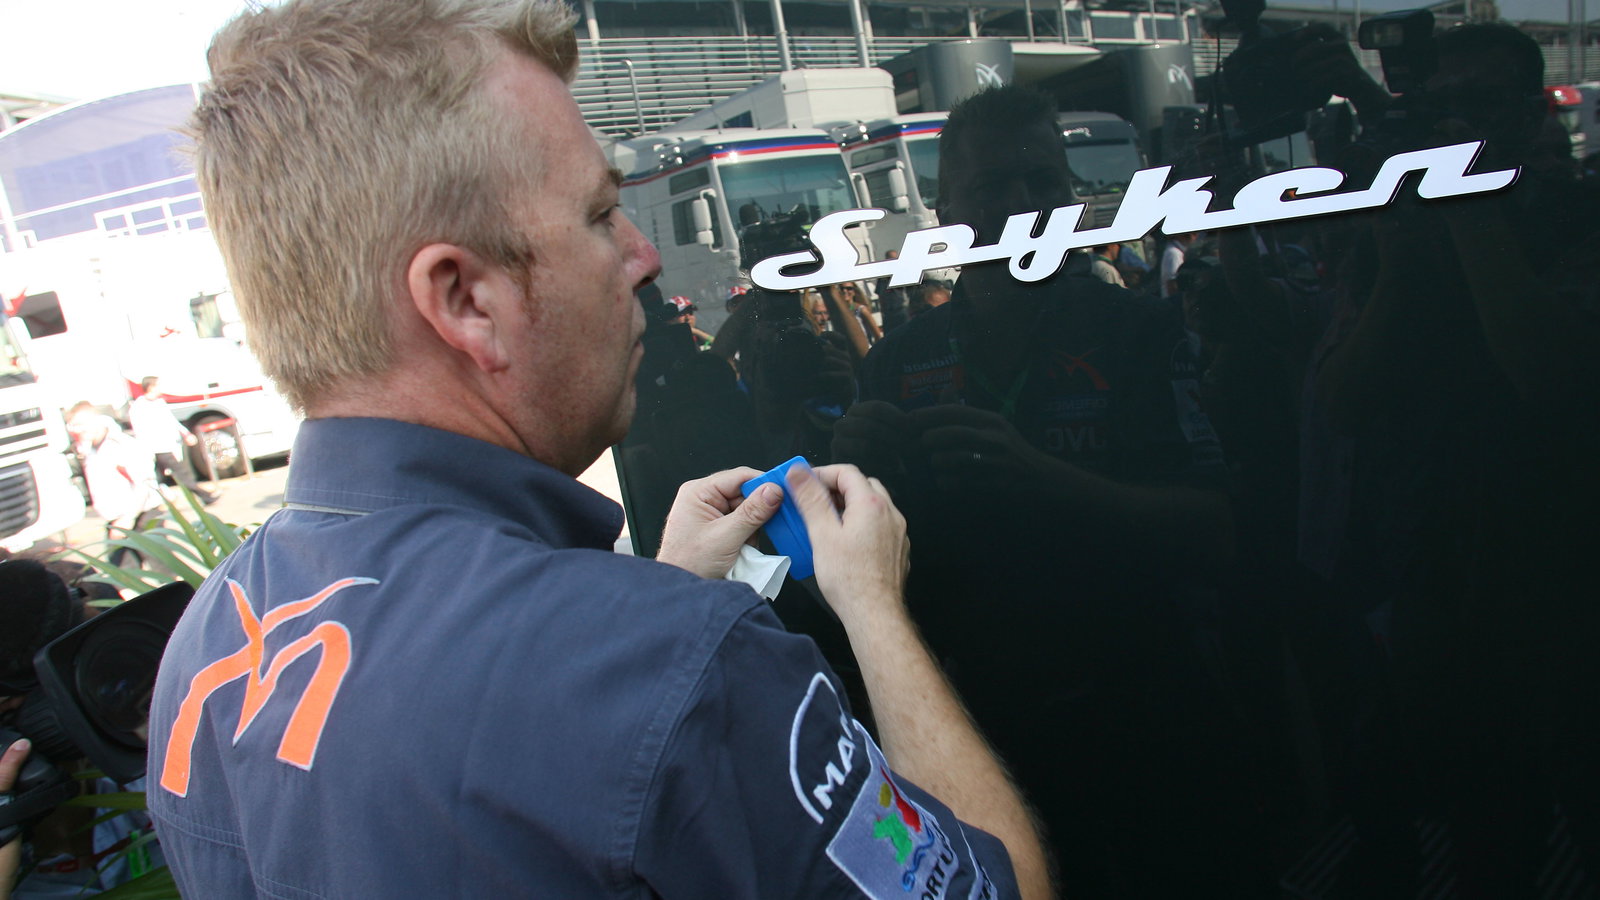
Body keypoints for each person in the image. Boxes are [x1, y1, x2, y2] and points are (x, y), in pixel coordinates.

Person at [144, 2, 1051, 899]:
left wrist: (660, 595)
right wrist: (872, 609)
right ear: (464, 301)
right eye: (600, 213)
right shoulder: (679, 666)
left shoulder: (206, 651)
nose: (642, 255)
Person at [834, 85, 1250, 895]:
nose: (1022, 203)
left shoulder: (1140, 331)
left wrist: (1043, 477)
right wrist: (851, 475)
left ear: (1071, 194)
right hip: (985, 731)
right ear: (948, 210)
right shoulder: (899, 363)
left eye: (1043, 181)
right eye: (994, 185)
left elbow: (1218, 532)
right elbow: (876, 572)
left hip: (1148, 717)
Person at [66, 404, 165, 565]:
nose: (78, 430)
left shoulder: (119, 445)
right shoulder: (89, 447)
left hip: (140, 515)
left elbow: (143, 484)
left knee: (162, 566)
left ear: (95, 420)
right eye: (73, 426)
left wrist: (128, 518)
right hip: (117, 519)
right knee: (122, 572)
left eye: (81, 424)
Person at [126, 377, 219, 504]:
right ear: (151, 387)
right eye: (158, 385)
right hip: (156, 447)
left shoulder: (159, 403)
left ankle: (200, 496)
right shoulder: (138, 407)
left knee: (167, 476)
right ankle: (205, 496)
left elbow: (172, 421)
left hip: (168, 444)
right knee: (179, 473)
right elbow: (140, 431)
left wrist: (186, 434)